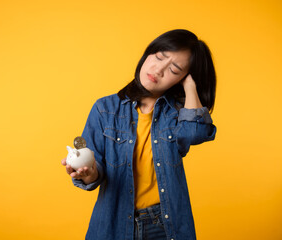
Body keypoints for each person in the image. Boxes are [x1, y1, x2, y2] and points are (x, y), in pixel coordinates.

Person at [61, 29, 217, 240]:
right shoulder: (105, 109)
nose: (159, 70)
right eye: (159, 56)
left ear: (181, 78)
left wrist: (191, 86)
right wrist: (89, 174)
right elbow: (94, 165)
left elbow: (195, 133)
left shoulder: (177, 113)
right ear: (148, 54)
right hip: (113, 224)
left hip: (164, 225)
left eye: (174, 69)